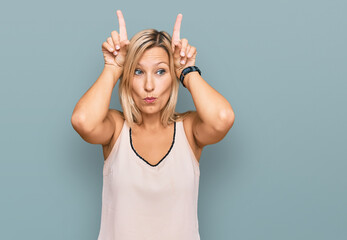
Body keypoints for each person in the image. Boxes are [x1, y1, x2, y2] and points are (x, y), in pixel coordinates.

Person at [71, 9, 235, 240]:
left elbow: (223, 118)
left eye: (161, 72)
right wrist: (113, 67)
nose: (149, 85)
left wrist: (186, 70)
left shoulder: (188, 130)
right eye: (138, 72)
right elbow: (82, 121)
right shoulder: (116, 129)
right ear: (127, 78)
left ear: (173, 77)